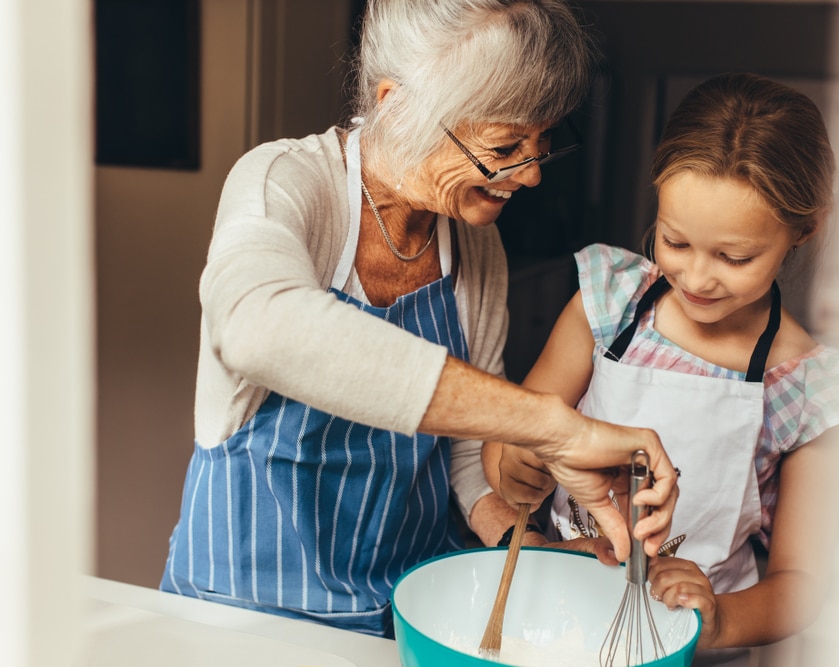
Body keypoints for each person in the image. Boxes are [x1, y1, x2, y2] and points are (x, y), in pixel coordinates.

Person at [159, 0, 680, 639]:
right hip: (240, 620)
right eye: (505, 145)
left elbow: (462, 453)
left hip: (404, 612)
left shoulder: (473, 243)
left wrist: (525, 541)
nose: (533, 173)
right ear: (396, 103)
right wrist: (552, 425)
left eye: (543, 143)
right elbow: (256, 327)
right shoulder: (286, 184)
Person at [483, 71, 839, 665]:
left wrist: (717, 620)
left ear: (804, 229)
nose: (697, 278)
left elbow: (800, 585)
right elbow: (508, 449)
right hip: (555, 627)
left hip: (694, 654)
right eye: (675, 242)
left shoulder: (808, 388)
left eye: (735, 256)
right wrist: (516, 466)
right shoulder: (607, 303)